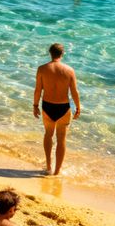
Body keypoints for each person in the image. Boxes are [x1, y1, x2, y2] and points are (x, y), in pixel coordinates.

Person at [34, 43, 80, 176]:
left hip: (47, 105)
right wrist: (78, 107)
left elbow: (38, 90)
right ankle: (57, 171)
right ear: (62, 54)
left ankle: (48, 166)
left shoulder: (42, 69)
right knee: (61, 139)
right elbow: (74, 91)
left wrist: (35, 105)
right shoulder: (69, 70)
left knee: (48, 134)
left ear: (50, 53)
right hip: (63, 107)